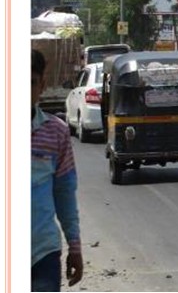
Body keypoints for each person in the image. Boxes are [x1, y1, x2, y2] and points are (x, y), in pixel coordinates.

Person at [32, 49, 83, 291]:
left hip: (43, 254)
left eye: (30, 83)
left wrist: (74, 246)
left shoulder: (57, 132)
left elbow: (64, 194)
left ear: (41, 85)